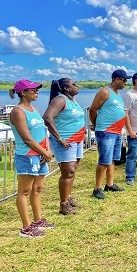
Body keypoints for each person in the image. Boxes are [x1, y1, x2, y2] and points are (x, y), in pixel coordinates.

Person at [9, 79, 54, 237]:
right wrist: (45, 152)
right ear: (23, 92)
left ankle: (38, 220)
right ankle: (26, 227)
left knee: (38, 188)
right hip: (27, 155)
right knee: (25, 191)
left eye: (36, 89)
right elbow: (27, 139)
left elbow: (42, 131)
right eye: (33, 90)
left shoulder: (34, 108)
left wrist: (46, 149)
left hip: (40, 153)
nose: (36, 92)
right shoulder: (18, 111)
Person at [43, 78, 85, 214]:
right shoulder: (60, 100)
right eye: (74, 84)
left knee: (73, 171)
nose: (77, 86)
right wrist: (59, 138)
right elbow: (47, 117)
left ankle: (68, 197)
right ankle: (63, 205)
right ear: (66, 88)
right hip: (66, 142)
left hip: (77, 141)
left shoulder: (73, 100)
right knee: (68, 172)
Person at [89, 69, 130, 199]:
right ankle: (97, 188)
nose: (126, 83)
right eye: (124, 80)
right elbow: (92, 110)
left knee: (112, 159)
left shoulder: (117, 94)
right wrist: (96, 125)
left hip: (117, 132)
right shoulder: (105, 92)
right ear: (116, 79)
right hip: (106, 131)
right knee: (104, 160)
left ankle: (110, 184)